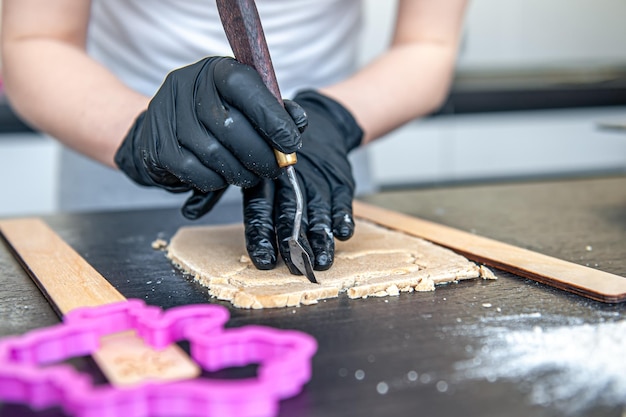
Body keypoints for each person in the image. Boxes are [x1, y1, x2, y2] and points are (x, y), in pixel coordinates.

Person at [1, 0, 467, 275]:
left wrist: (333, 118)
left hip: (323, 161)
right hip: (117, 152)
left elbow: (428, 45)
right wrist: (137, 130)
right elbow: (34, 41)